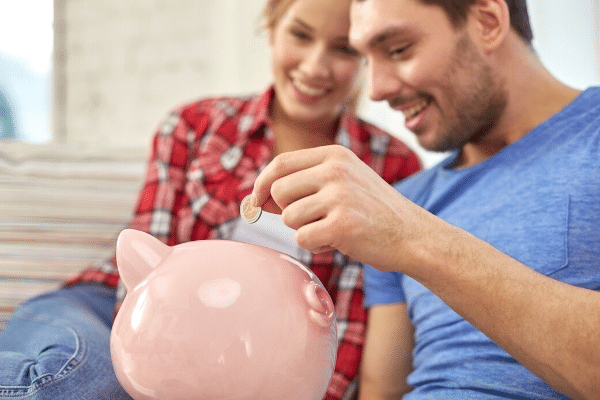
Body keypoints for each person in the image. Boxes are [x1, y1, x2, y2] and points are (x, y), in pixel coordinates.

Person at [0, 0, 421, 399]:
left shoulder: (390, 165)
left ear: (366, 55)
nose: (315, 67)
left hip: (247, 354)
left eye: (343, 48)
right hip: (112, 310)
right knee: (84, 386)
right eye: (300, 35)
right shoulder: (195, 125)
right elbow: (145, 284)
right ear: (273, 28)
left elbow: (351, 321)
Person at [250, 0, 600, 399]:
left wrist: (412, 237)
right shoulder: (404, 200)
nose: (378, 89)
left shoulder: (400, 220)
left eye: (398, 50)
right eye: (366, 58)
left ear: (487, 22)